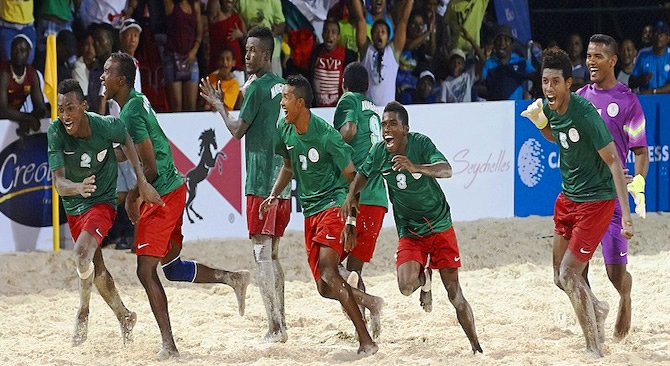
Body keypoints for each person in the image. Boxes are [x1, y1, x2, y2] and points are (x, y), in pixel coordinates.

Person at [101, 52, 251, 359]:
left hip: (163, 192)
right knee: (171, 266)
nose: (101, 77)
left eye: (106, 72)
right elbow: (132, 151)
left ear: (121, 80)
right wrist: (104, 155)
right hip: (172, 188)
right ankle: (233, 278)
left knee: (145, 271)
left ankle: (169, 345)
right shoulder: (136, 101)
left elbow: (150, 168)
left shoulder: (129, 112)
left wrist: (133, 195)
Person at [340, 100, 483, 354]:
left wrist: (416, 167)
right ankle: (425, 278)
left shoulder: (420, 143)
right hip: (410, 231)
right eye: (384, 124)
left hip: (439, 225)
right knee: (405, 287)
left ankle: (477, 349)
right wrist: (351, 198)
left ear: (405, 129)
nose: (386, 129)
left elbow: (447, 170)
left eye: (392, 124)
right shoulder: (379, 152)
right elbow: (361, 177)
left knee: (455, 296)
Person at [521, 47, 634, 357]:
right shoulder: (549, 106)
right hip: (568, 198)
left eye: (555, 82)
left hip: (596, 202)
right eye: (544, 81)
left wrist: (625, 214)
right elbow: (560, 138)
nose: (548, 89)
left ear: (569, 83)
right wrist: (541, 124)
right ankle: (596, 308)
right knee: (560, 277)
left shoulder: (585, 114)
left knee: (570, 274)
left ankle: (594, 348)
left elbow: (613, 162)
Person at [260, 74, 384, 356]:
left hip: (334, 204)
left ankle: (366, 341)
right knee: (323, 287)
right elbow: (289, 166)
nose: (282, 103)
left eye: (286, 98)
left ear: (300, 103)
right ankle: (371, 302)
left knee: (330, 271)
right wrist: (274, 193)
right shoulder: (286, 129)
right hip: (311, 211)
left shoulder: (327, 135)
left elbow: (354, 179)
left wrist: (351, 220)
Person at [47, 78, 162, 346]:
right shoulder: (55, 131)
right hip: (75, 204)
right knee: (95, 269)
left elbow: (125, 138)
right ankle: (124, 316)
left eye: (70, 108)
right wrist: (78, 186)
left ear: (84, 107)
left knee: (81, 254)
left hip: (102, 201)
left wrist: (141, 180)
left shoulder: (104, 124)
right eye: (61, 109)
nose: (65, 115)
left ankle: (83, 311)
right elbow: (58, 184)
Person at [199, 26, 290, 343]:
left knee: (261, 255)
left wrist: (220, 105)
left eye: (252, 50)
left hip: (261, 180)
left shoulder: (254, 88)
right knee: (273, 255)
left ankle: (275, 327)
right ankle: (282, 322)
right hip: (283, 182)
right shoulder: (282, 86)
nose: (247, 55)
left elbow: (237, 131)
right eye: (246, 50)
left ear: (266, 55)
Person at [578, 34, 649, 340]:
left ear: (612, 61)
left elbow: (641, 151)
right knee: (575, 267)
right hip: (582, 194)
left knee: (615, 274)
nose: (590, 61)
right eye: (588, 56)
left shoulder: (627, 101)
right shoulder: (579, 97)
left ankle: (625, 297)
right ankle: (593, 315)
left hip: (613, 197)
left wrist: (640, 181)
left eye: (597, 56)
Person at [332, 62, 387, 312]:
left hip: (355, 195)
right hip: (378, 199)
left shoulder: (348, 100)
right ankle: (367, 315)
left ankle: (365, 310)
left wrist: (329, 145)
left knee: (329, 266)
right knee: (354, 269)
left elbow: (349, 129)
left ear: (343, 84)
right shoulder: (374, 111)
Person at [352, 0, 413, 106]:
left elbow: (403, 21)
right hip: (368, 111)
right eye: (376, 31)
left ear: (388, 36)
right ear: (371, 35)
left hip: (388, 112)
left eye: (383, 32)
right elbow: (360, 20)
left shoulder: (393, 51)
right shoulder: (367, 50)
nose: (379, 34)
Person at [0, 35, 46, 137]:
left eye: (22, 50)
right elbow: (2, 110)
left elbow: (41, 107)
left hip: (15, 117)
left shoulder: (32, 74)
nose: (18, 54)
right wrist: (27, 118)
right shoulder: (4, 72)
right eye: (15, 50)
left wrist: (32, 118)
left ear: (29, 53)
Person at [163, 0, 203, 112]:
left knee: (191, 105)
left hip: (191, 56)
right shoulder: (170, 4)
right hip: (172, 57)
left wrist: (194, 50)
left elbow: (199, 32)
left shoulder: (194, 5)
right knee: (176, 105)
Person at [309, 18, 358, 107]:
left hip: (337, 107)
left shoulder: (347, 55)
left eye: (333, 32)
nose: (329, 35)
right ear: (322, 34)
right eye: (326, 31)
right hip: (317, 107)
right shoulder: (315, 52)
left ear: (338, 36)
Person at [482, 25, 535, 101]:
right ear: (494, 44)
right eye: (498, 40)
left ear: (511, 44)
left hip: (516, 107)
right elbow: (480, 84)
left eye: (506, 40)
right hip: (495, 107)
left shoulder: (521, 62)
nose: (502, 43)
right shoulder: (488, 63)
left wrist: (530, 92)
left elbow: (537, 77)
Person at [629, 21, 670, 94]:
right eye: (656, 33)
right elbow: (631, 82)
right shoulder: (643, 54)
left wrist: (653, 91)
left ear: (668, 38)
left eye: (662, 34)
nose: (658, 36)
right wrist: (641, 78)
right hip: (647, 99)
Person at [207, 0, 245, 74]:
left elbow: (248, 43)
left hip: (236, 69)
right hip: (217, 68)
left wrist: (241, 35)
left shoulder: (238, 18)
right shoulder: (215, 16)